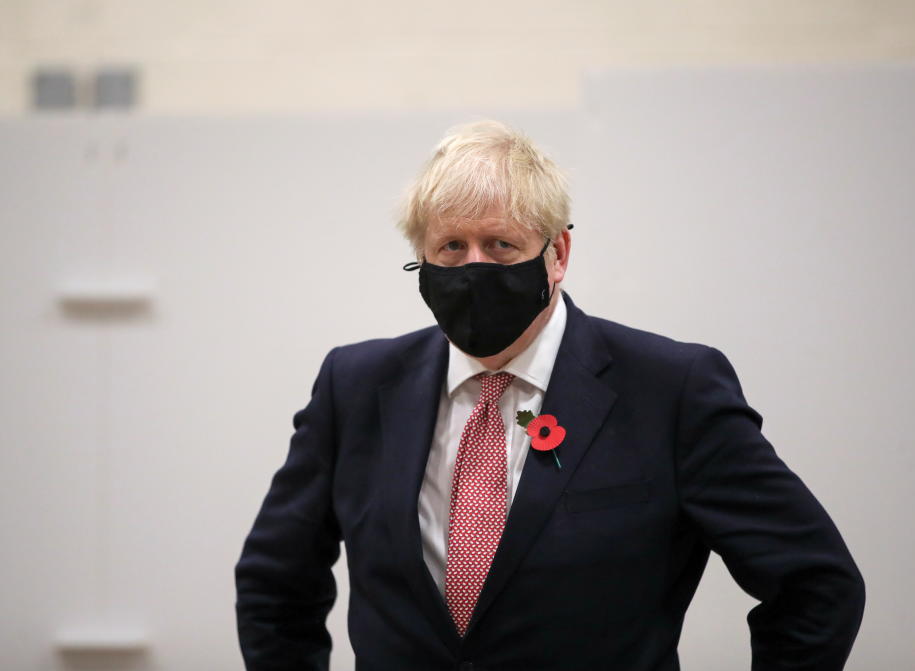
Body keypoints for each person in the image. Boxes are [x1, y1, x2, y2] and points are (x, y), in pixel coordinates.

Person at [235, 120, 865, 671]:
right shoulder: (356, 387)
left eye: (500, 245)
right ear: (421, 260)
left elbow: (815, 583)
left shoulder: (670, 390)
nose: (473, 267)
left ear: (556, 253)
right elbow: (276, 581)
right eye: (450, 247)